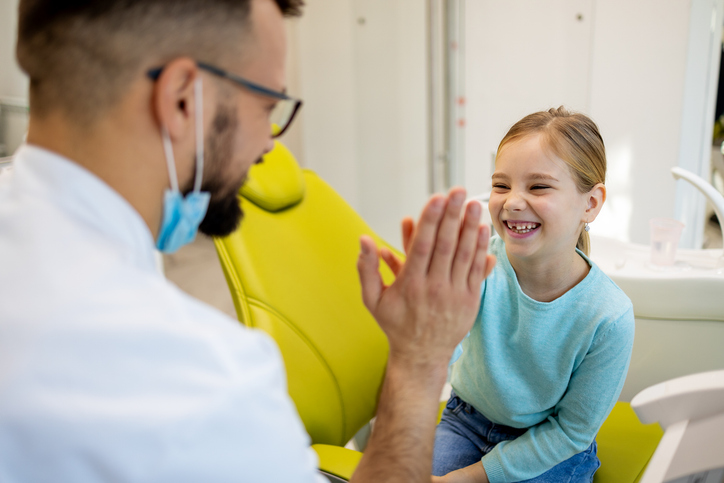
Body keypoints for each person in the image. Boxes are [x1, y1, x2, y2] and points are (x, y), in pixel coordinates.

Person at [0, 0, 496, 482]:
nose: (268, 143)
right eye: (267, 106)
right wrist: (419, 359)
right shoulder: (204, 381)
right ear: (180, 99)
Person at [428, 108, 635, 483]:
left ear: (590, 203)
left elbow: (571, 431)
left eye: (538, 186)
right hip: (466, 421)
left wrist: (470, 477)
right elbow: (440, 349)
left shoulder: (609, 316)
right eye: (501, 185)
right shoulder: (477, 263)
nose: (512, 202)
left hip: (551, 444)